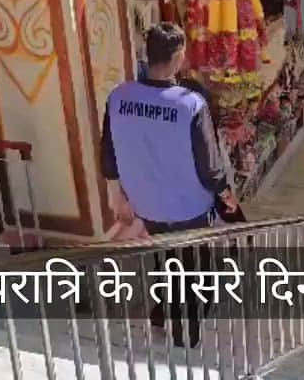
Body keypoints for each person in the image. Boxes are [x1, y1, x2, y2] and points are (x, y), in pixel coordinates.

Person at [101, 22, 238, 347]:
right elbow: (210, 166)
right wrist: (226, 195)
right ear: (178, 58)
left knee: (164, 259)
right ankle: (185, 333)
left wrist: (118, 197)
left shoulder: (119, 97)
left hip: (147, 204)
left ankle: (163, 312)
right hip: (188, 206)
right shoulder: (190, 104)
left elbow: (108, 153)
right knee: (193, 269)